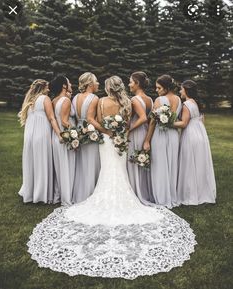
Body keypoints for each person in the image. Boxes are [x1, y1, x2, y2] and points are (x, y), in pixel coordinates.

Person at [27, 76, 196, 279]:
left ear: (107, 88)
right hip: (120, 139)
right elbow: (126, 121)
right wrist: (120, 131)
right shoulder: (126, 102)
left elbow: (94, 120)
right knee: (119, 170)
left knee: (108, 170)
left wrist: (106, 131)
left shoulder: (101, 101)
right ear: (120, 87)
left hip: (106, 140)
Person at [18, 79, 61, 203]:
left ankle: (31, 191)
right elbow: (52, 118)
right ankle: (41, 193)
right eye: (47, 87)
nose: (49, 89)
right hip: (41, 134)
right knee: (42, 161)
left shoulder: (30, 100)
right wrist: (59, 134)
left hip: (30, 136)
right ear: (42, 88)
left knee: (32, 162)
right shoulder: (45, 99)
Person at [173, 80, 216, 205]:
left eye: (181, 89)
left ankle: (190, 194)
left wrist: (168, 123)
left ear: (186, 90)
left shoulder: (186, 104)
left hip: (191, 135)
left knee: (189, 163)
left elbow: (184, 123)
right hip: (200, 134)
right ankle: (202, 191)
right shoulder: (196, 103)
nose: (180, 91)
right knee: (199, 163)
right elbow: (202, 120)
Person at [143, 74, 182, 208]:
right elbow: (177, 119)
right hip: (174, 136)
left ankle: (161, 198)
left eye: (159, 88)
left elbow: (153, 122)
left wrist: (147, 141)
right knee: (172, 164)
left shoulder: (160, 100)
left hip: (160, 134)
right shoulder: (178, 99)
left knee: (159, 165)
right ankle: (171, 195)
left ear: (165, 88)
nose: (156, 90)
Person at [72, 72, 104, 203]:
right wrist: (105, 130)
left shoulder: (75, 97)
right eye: (96, 81)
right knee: (92, 162)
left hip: (79, 131)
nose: (98, 84)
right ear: (90, 84)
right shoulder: (94, 98)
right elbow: (91, 119)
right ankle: (91, 193)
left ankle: (80, 193)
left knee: (81, 163)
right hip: (90, 133)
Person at [127, 71, 154, 202]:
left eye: (131, 82)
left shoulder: (134, 99)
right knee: (141, 161)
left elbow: (143, 118)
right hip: (145, 132)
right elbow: (149, 121)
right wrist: (148, 139)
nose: (129, 84)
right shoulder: (150, 100)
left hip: (136, 133)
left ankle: (134, 192)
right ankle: (142, 191)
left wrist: (129, 129)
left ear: (137, 84)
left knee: (133, 162)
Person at [50, 75, 76, 205]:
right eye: (69, 82)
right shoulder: (66, 100)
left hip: (56, 137)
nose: (71, 84)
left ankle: (59, 195)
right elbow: (65, 122)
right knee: (67, 166)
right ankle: (67, 196)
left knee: (60, 167)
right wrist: (77, 132)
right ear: (64, 86)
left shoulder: (54, 100)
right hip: (65, 137)